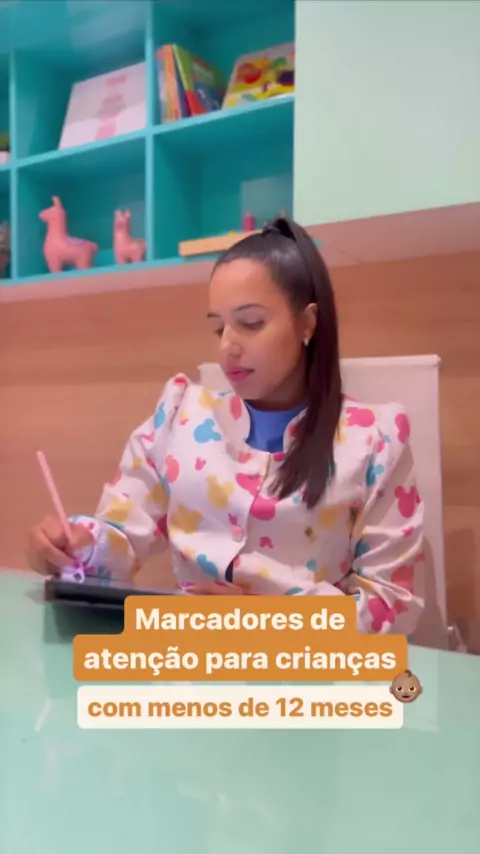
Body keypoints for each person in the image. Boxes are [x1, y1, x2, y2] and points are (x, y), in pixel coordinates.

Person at [27, 216, 425, 635]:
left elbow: (392, 606)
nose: (227, 346)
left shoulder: (375, 439)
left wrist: (265, 620)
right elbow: (122, 536)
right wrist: (75, 546)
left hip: (306, 671)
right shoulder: (180, 415)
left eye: (251, 323)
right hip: (184, 664)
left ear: (308, 323)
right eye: (219, 327)